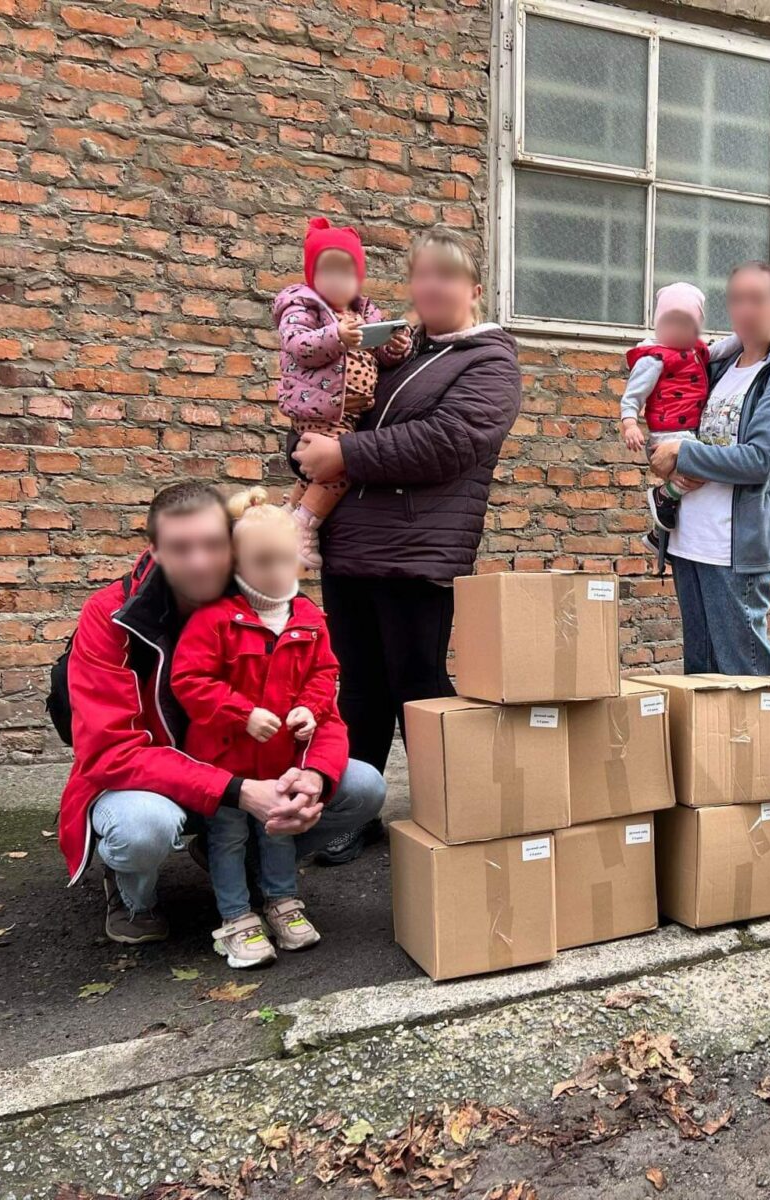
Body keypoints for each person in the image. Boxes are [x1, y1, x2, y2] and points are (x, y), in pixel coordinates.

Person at [54, 481, 386, 944]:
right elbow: (112, 751)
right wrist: (237, 791)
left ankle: (245, 860)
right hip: (151, 781)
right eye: (179, 547)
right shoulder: (109, 615)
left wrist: (313, 776)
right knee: (142, 829)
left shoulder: (278, 606)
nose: (199, 562)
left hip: (249, 766)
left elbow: (324, 709)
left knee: (363, 787)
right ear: (154, 548)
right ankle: (133, 895)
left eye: (212, 545)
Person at [292, 227, 522, 777]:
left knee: (416, 687)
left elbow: (448, 441)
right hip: (350, 543)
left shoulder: (489, 363)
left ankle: (448, 809)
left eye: (445, 275)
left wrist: (342, 452)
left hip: (417, 550)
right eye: (421, 275)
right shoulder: (393, 350)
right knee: (359, 688)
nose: (430, 286)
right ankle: (356, 809)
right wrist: (307, 446)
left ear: (474, 289)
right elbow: (337, 403)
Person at [170, 489, 349, 968]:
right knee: (227, 837)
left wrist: (310, 709)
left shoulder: (310, 619)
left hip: (281, 759)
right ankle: (236, 917)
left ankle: (282, 902)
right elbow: (188, 680)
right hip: (225, 763)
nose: (276, 572)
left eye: (286, 560)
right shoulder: (214, 619)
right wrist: (240, 713)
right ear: (237, 565)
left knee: (278, 832)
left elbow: (324, 672)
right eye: (262, 561)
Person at [648, 261, 770, 675]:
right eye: (736, 299)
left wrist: (681, 456)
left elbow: (760, 460)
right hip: (689, 540)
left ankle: (767, 743)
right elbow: (679, 420)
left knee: (745, 672)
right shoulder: (720, 366)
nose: (745, 309)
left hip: (733, 548)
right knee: (700, 675)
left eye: (756, 299)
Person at [273, 217, 413, 569]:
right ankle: (304, 524)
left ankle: (290, 510)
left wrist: (394, 345)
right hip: (319, 408)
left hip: (349, 412)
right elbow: (298, 346)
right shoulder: (303, 306)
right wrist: (336, 336)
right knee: (343, 467)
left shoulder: (364, 311)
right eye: (328, 271)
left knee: (321, 470)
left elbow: (380, 356)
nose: (338, 280)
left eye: (346, 272)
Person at [617, 281, 740, 561]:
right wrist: (630, 423)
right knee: (701, 471)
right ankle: (662, 495)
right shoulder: (654, 357)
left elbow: (720, 350)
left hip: (688, 431)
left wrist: (743, 336)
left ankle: (659, 534)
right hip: (669, 433)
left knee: (695, 479)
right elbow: (633, 395)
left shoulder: (696, 350)